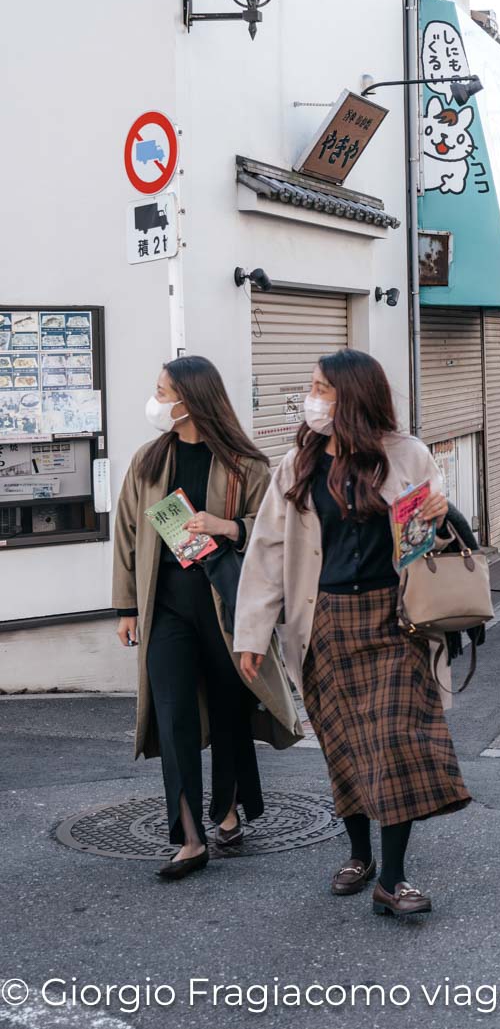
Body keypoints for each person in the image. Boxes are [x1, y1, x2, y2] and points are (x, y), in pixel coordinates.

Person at [233, 349, 467, 919]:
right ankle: (358, 854)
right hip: (325, 623)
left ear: (353, 396)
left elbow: (434, 545)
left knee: (394, 743)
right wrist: (252, 633)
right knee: (345, 746)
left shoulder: (407, 456)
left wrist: (438, 519)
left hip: (397, 619)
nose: (310, 399)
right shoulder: (297, 465)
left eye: (321, 389)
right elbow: (267, 551)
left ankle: (392, 878)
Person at [112, 356, 301, 880]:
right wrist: (126, 607)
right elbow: (127, 536)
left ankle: (228, 808)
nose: (155, 400)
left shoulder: (245, 464)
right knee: (174, 717)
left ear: (191, 399)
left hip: (227, 605)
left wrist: (226, 525)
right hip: (166, 607)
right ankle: (189, 836)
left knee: (229, 711)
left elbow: (272, 532)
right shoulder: (149, 461)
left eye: (162, 390)